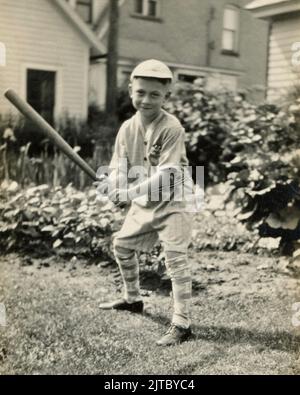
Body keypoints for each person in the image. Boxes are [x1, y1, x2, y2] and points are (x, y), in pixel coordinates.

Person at [95, 59, 196, 346]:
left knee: (175, 258)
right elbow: (118, 167)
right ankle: (132, 299)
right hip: (145, 199)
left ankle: (182, 323)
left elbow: (168, 174)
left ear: (167, 97)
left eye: (155, 94)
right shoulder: (127, 128)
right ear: (130, 91)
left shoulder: (171, 127)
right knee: (122, 246)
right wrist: (114, 185)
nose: (146, 99)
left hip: (175, 199)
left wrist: (128, 193)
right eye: (140, 92)